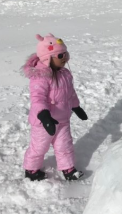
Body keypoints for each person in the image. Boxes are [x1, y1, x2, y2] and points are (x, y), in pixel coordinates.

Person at [22, 34, 88, 182]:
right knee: (39, 147)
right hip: (43, 122)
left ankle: (69, 169)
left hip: (63, 120)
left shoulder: (65, 74)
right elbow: (37, 98)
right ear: (48, 58)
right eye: (60, 55)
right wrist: (44, 115)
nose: (65, 58)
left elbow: (70, 93)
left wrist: (76, 107)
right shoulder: (40, 77)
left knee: (65, 146)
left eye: (66, 54)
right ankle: (31, 170)